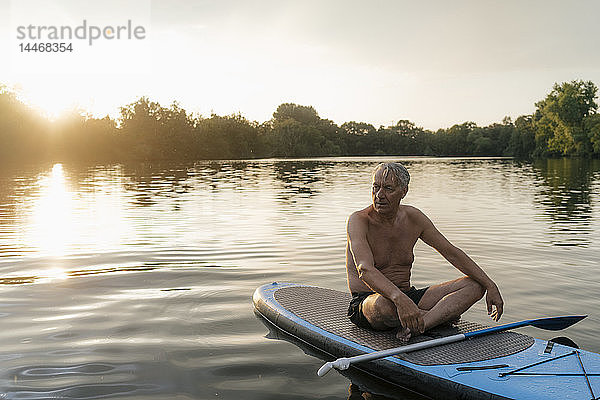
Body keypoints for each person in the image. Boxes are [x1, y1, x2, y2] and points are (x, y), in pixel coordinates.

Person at [346, 162, 504, 341]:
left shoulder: (413, 218)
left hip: (407, 295)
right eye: (376, 187)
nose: (379, 195)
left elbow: (451, 252)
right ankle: (436, 317)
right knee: (386, 304)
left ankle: (421, 324)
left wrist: (491, 285)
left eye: (388, 188)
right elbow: (364, 270)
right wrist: (400, 299)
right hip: (370, 303)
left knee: (476, 285)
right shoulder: (359, 220)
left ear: (403, 191)